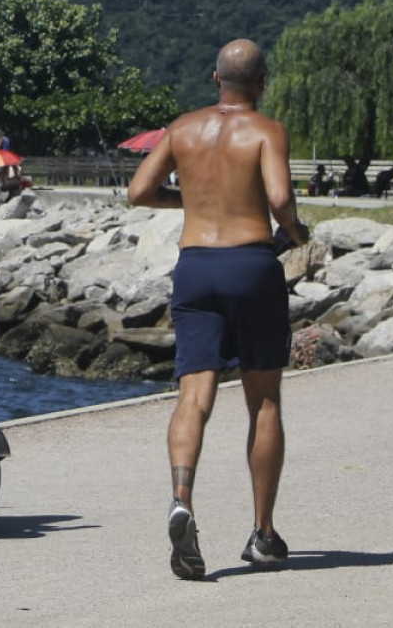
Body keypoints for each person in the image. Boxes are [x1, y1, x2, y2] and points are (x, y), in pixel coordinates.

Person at [127, 38, 310, 579]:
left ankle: (182, 496)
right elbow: (278, 199)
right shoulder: (267, 130)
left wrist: (192, 200)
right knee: (265, 401)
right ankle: (264, 533)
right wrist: (296, 232)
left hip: (196, 267)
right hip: (251, 265)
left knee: (193, 394)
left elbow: (139, 191)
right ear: (262, 82)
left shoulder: (182, 128)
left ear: (214, 78)